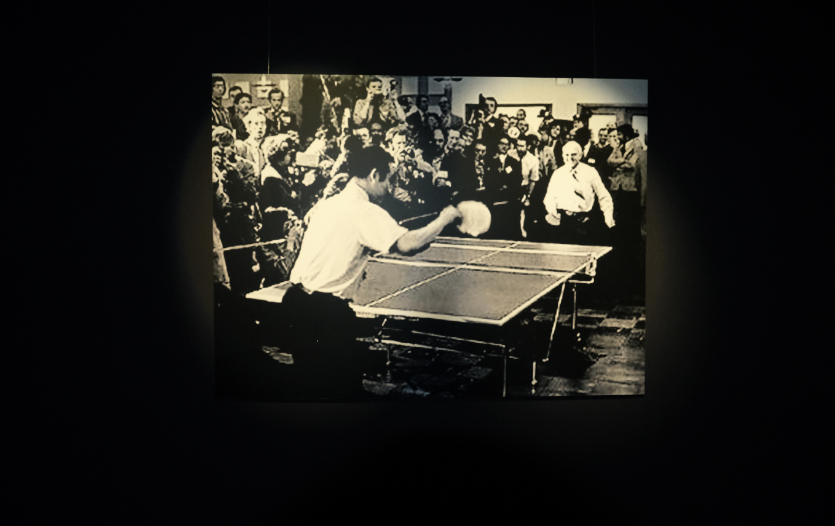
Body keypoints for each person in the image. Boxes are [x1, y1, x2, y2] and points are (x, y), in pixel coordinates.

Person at [285, 145, 463, 397]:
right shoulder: (365, 211)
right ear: (373, 175)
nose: (389, 187)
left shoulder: (327, 204)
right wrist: (444, 219)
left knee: (309, 386)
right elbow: (409, 244)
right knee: (340, 390)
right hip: (324, 314)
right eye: (388, 179)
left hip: (295, 302)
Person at [542, 141, 615, 245]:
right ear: (563, 156)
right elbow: (549, 197)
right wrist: (553, 213)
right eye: (567, 155)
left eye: (573, 154)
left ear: (580, 155)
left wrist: (608, 218)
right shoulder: (558, 174)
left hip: (585, 221)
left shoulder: (590, 171)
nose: (570, 158)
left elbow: (604, 196)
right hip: (564, 222)